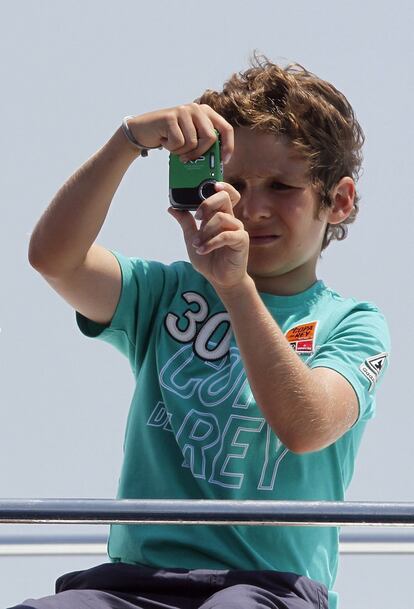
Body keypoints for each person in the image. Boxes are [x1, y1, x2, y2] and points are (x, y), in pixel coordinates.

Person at [18, 55, 389, 609]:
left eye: (281, 186)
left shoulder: (355, 324)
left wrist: (235, 288)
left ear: (337, 202)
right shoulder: (163, 293)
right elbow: (54, 257)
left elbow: (304, 426)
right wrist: (127, 141)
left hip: (268, 587)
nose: (254, 206)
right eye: (235, 183)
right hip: (134, 581)